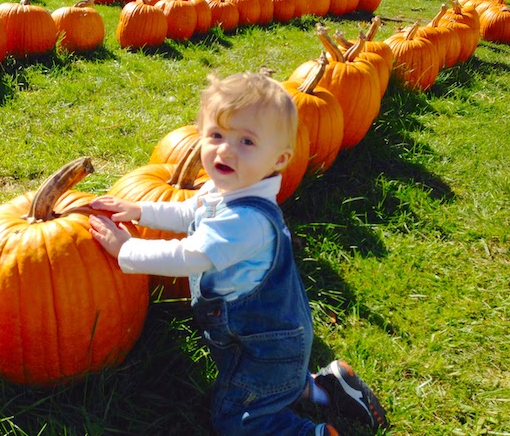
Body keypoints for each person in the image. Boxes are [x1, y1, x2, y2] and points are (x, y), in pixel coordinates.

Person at [89, 71, 388, 436]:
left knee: (237, 419)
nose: (225, 149)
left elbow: (190, 255)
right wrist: (139, 211)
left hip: (267, 346)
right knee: (272, 386)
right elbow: (186, 213)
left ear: (278, 159)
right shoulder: (223, 190)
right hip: (255, 339)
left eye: (247, 141)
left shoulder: (247, 221)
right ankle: (326, 389)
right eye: (216, 135)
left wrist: (127, 250)